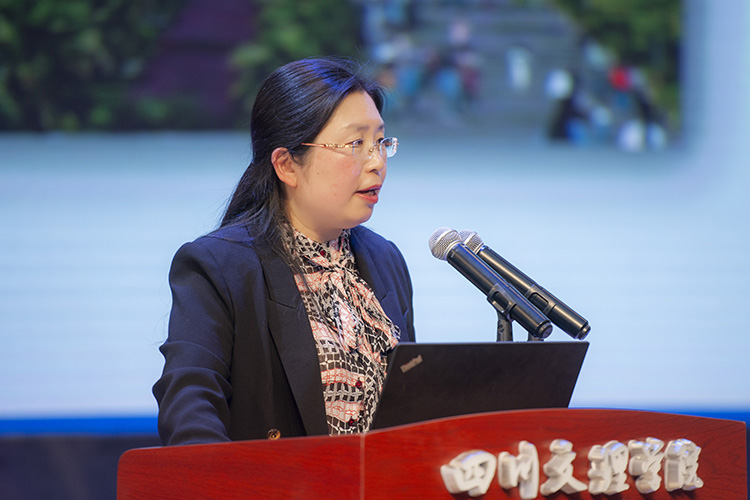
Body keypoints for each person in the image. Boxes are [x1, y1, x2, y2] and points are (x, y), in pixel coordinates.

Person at [152, 58, 416, 446]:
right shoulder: (218, 267)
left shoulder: (384, 258)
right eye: (355, 144)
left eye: (380, 142)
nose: (377, 162)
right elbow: (189, 407)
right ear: (287, 165)